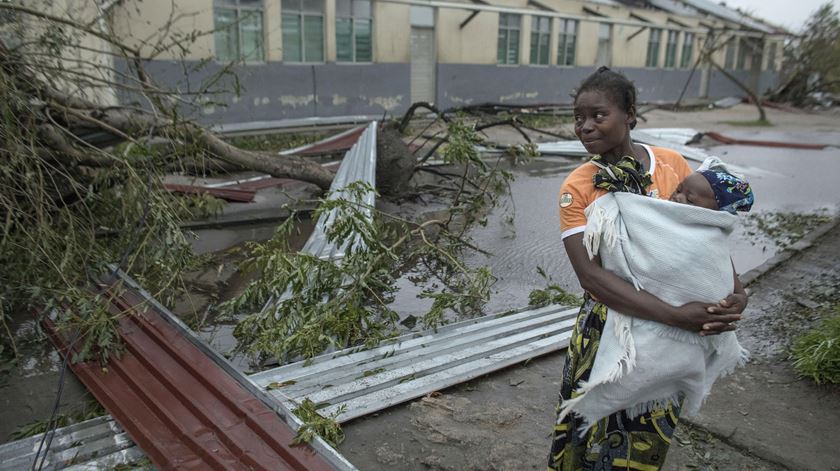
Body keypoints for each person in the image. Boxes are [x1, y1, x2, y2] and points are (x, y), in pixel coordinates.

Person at [548, 67, 747, 471]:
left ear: (630, 115)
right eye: (578, 118)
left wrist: (736, 291)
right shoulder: (579, 187)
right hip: (608, 326)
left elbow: (706, 236)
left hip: (672, 336)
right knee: (589, 429)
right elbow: (591, 277)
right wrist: (676, 315)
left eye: (598, 115)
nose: (585, 127)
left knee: (644, 438)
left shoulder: (672, 165)